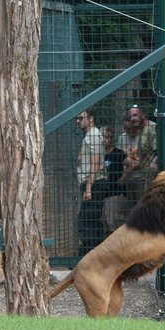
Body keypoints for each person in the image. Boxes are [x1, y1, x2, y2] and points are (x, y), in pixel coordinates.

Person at [75, 108, 105, 255]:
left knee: (87, 222)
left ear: (91, 118)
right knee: (91, 220)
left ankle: (88, 255)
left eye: (81, 118)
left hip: (93, 183)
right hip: (92, 183)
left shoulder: (93, 135)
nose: (78, 121)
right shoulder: (90, 136)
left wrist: (88, 187)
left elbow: (96, 163)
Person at [118, 105, 158, 203]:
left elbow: (157, 151)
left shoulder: (151, 128)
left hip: (147, 174)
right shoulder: (137, 129)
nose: (133, 118)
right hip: (133, 175)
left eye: (135, 115)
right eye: (131, 116)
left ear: (142, 115)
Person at [100, 126, 129, 232]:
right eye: (102, 136)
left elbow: (129, 166)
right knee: (103, 223)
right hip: (101, 194)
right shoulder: (97, 154)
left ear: (111, 139)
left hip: (116, 193)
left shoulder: (119, 154)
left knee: (113, 222)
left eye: (107, 137)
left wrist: (122, 179)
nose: (104, 140)